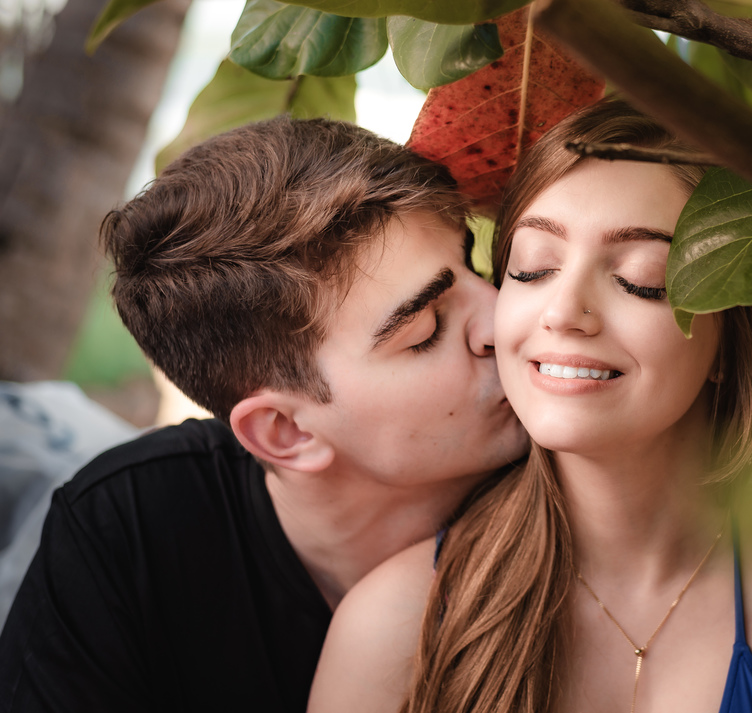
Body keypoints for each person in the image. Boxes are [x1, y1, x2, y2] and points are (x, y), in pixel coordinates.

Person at [309, 99, 752, 713]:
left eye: (641, 279)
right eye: (532, 269)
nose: (563, 312)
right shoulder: (398, 625)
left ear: (728, 342)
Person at [0, 117, 527, 713]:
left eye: (476, 268)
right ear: (287, 432)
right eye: (426, 329)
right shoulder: (127, 531)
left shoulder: (587, 477)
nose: (505, 318)